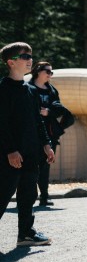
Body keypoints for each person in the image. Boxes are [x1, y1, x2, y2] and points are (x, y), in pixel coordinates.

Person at [0, 42, 56, 246]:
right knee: (3, 194)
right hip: (9, 155)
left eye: (31, 56)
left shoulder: (30, 90)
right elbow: (2, 124)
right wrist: (11, 150)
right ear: (11, 62)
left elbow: (38, 121)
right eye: (25, 57)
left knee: (28, 194)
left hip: (31, 152)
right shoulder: (3, 90)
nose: (30, 60)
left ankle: (25, 234)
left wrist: (47, 144)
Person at [28, 62, 74, 206]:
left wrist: (49, 112)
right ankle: (26, 197)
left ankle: (44, 197)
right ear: (38, 71)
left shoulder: (52, 91)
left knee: (45, 165)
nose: (50, 74)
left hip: (49, 133)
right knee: (29, 166)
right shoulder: (28, 88)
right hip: (31, 133)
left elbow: (59, 109)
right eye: (47, 71)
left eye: (51, 72)